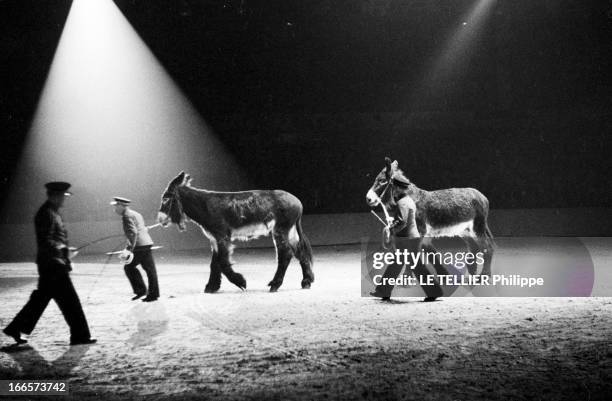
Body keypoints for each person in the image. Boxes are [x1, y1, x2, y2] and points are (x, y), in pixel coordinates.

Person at [3, 182, 96, 345]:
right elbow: (47, 241)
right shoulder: (47, 213)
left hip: (51, 264)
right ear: (55, 195)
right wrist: (64, 251)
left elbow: (52, 240)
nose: (64, 200)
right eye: (62, 196)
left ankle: (16, 328)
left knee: (40, 299)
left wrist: (65, 251)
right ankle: (80, 336)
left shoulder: (50, 212)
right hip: (53, 265)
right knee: (70, 302)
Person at [111, 197, 159, 302]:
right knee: (150, 270)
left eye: (116, 206)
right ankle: (153, 294)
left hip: (139, 246)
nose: (114, 208)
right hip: (146, 243)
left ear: (122, 206)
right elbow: (141, 228)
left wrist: (129, 249)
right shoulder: (136, 214)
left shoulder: (126, 216)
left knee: (129, 267)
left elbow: (133, 233)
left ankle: (141, 291)